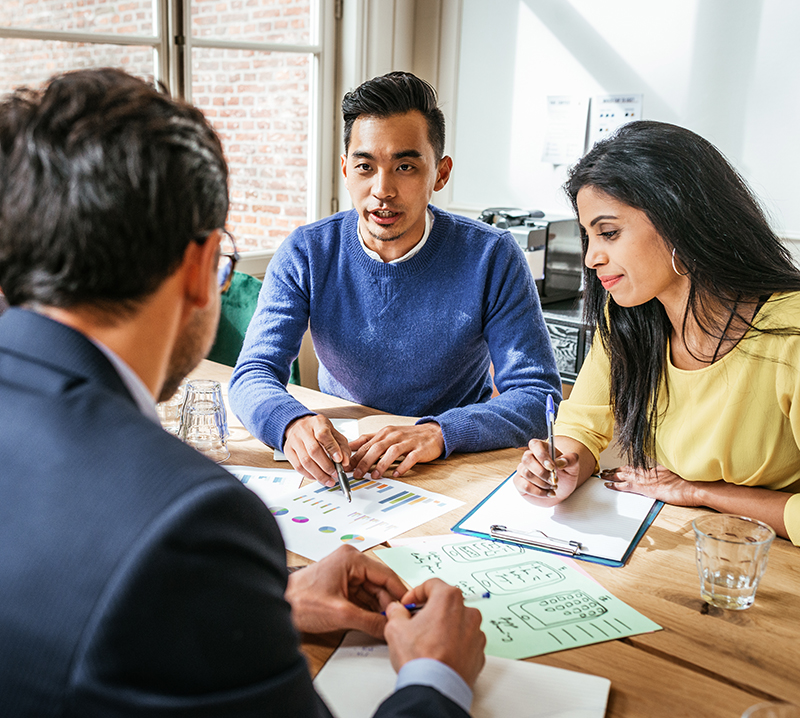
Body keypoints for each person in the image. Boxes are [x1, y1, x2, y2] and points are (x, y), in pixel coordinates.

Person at [0, 68, 486, 716]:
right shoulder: (190, 522)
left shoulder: (487, 254)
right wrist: (435, 678)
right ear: (204, 270)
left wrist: (267, 601)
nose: (383, 189)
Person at [229, 71, 561, 487]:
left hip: (454, 458)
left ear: (439, 174)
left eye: (405, 166)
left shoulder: (492, 255)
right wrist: (290, 422)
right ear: (346, 170)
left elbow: (537, 395)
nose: (382, 189)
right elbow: (252, 373)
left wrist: (438, 432)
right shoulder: (306, 252)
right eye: (366, 167)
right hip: (345, 459)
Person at [513, 120, 800, 546]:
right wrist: (564, 462)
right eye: (588, 236)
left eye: (608, 233)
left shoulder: (789, 333)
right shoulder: (628, 316)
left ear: (680, 219)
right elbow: (584, 422)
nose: (592, 258)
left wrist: (701, 492)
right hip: (683, 541)